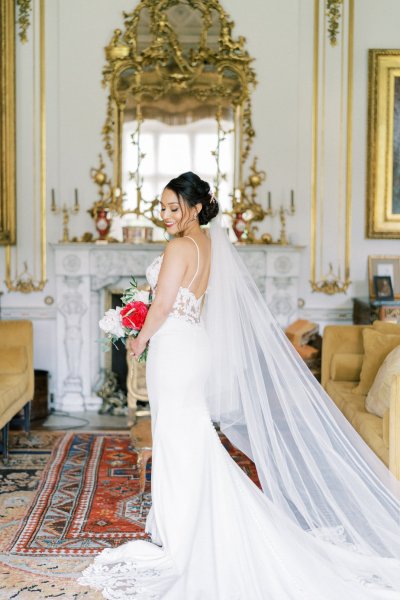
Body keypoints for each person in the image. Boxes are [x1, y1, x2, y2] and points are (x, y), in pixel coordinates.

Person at [79, 172, 400, 599]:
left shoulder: (178, 246)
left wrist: (137, 340)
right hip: (191, 345)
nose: (166, 215)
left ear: (195, 208)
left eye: (174, 208)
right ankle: (190, 523)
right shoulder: (208, 245)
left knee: (178, 437)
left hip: (174, 348)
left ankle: (189, 533)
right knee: (187, 437)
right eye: (162, 208)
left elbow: (163, 305)